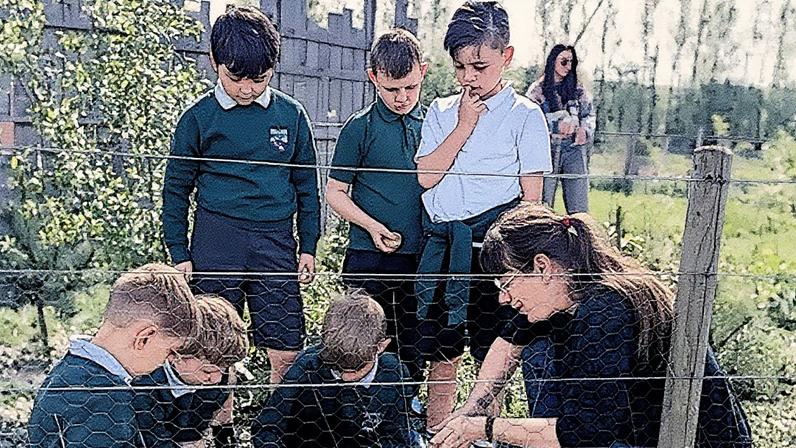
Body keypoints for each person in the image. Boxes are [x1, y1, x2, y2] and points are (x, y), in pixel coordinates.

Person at [431, 204, 753, 448]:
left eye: (507, 282)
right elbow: (509, 339)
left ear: (542, 267)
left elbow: (584, 435)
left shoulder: (603, 310)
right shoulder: (572, 291)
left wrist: (484, 428)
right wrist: (473, 408)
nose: (503, 298)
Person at [161, 6, 320, 384]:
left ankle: (281, 429)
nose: (247, 89)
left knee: (286, 345)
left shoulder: (292, 116)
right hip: (216, 239)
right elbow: (177, 187)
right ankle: (221, 429)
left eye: (260, 79)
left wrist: (309, 246)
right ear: (215, 61)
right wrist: (179, 252)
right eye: (236, 79)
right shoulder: (198, 118)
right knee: (213, 346)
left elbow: (307, 187)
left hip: (275, 239)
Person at [413, 0, 551, 428]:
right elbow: (426, 178)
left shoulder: (525, 117)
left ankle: (487, 433)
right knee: (442, 351)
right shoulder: (440, 111)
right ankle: (438, 431)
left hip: (495, 253)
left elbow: (532, 200)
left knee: (495, 354)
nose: (468, 78)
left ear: (506, 57)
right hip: (444, 250)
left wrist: (517, 263)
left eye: (480, 66)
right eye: (460, 68)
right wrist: (464, 124)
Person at [326, 28, 427, 384]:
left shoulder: (434, 124)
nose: (402, 98)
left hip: (418, 256)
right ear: (373, 78)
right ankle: (352, 405)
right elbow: (335, 191)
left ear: (424, 73)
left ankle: (405, 411)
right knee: (359, 338)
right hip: (368, 254)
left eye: (410, 88)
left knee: (411, 341)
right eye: (392, 89)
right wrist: (371, 225)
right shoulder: (359, 127)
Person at [28, 264, 198, 447]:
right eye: (171, 350)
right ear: (144, 338)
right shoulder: (106, 397)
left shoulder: (69, 369)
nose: (170, 360)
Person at [251, 289, 420, 447]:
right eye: (337, 369)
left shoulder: (393, 373)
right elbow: (266, 428)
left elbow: (397, 437)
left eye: (357, 370)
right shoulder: (307, 366)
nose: (347, 377)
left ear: (381, 346)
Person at [133, 294, 248, 448]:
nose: (215, 379)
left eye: (223, 369)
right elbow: (153, 439)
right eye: (207, 371)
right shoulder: (145, 385)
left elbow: (191, 435)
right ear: (174, 355)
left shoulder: (217, 382)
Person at [526, 44, 595, 213]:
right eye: (564, 61)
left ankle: (581, 236)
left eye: (571, 62)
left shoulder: (578, 89)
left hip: (574, 149)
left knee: (579, 202)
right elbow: (530, 121)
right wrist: (556, 125)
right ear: (553, 62)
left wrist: (584, 131)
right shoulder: (537, 90)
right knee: (543, 202)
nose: (568, 66)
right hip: (547, 151)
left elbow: (589, 114)